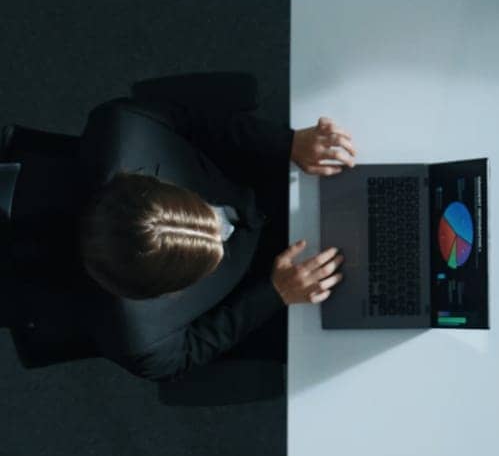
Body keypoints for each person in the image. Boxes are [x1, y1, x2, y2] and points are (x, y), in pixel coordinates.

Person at [59, 77, 357, 381]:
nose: (222, 229)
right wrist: (274, 293)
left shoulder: (125, 125)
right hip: (252, 286)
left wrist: (287, 143)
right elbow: (193, 349)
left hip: (248, 182)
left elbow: (197, 122)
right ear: (163, 292)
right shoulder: (142, 343)